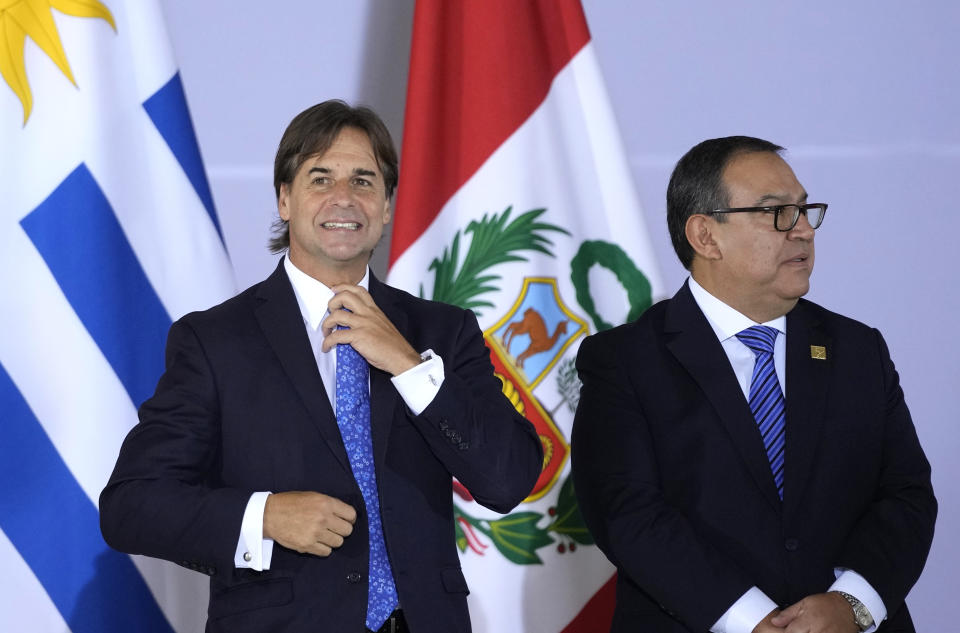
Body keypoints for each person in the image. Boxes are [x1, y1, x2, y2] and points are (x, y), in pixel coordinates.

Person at [100, 100, 543, 633]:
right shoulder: (215, 340)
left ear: (384, 206)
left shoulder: (441, 333)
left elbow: (508, 477)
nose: (343, 198)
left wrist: (408, 365)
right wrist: (263, 516)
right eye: (320, 178)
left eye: (363, 180)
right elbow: (132, 506)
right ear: (284, 200)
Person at [571, 136, 936, 633]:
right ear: (705, 236)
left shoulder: (858, 349)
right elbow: (628, 514)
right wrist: (749, 620)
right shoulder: (626, 360)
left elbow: (906, 494)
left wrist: (851, 604)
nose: (804, 230)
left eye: (806, 211)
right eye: (778, 213)